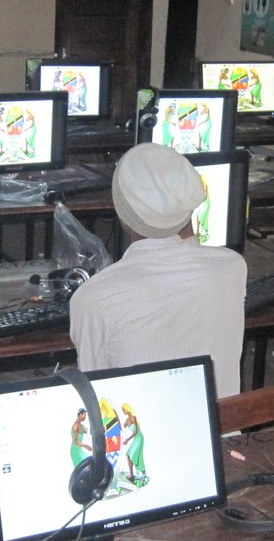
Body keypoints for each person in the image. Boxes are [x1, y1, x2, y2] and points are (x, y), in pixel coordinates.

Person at [69, 143, 247, 397]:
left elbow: (96, 392)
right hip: (226, 434)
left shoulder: (93, 298)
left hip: (141, 435)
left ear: (122, 213)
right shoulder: (232, 267)